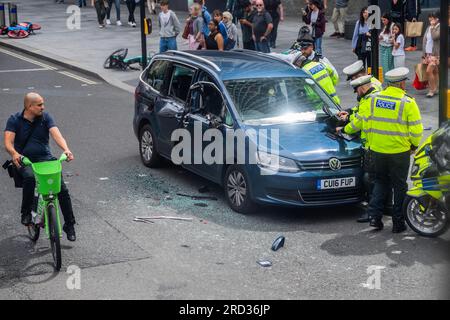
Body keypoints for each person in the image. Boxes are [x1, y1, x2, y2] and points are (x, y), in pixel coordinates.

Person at [340, 67, 423, 233]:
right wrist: (413, 146)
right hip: (399, 152)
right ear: (401, 83)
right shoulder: (408, 102)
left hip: (377, 150)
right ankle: (398, 223)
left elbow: (363, 121)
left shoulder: (373, 99)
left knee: (380, 183)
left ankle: (374, 218)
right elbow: (416, 131)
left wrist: (346, 125)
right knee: (399, 187)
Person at [3, 93, 77, 241]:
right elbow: (8, 142)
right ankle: (26, 213)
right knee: (30, 178)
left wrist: (66, 149)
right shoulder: (14, 120)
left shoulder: (45, 117)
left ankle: (69, 224)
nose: (43, 107)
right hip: (25, 160)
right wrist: (14, 153)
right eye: (39, 105)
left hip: (46, 160)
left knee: (62, 190)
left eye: (43, 104)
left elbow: (57, 135)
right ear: (29, 106)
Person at [423, 11, 440, 98]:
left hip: (436, 54)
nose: (430, 19)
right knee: (435, 71)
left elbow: (435, 37)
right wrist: (424, 55)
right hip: (428, 53)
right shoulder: (428, 27)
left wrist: (433, 27)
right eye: (430, 17)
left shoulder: (439, 27)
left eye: (433, 18)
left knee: (429, 71)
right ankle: (436, 88)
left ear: (437, 18)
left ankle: (431, 90)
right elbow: (424, 41)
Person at [379, 13, 395, 78]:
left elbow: (392, 39)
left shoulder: (392, 26)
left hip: (388, 48)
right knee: (384, 66)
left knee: (388, 65)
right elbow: (382, 34)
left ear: (388, 19)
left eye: (384, 20)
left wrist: (383, 38)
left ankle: (390, 80)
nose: (383, 22)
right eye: (382, 20)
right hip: (382, 47)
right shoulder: (386, 26)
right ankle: (388, 81)